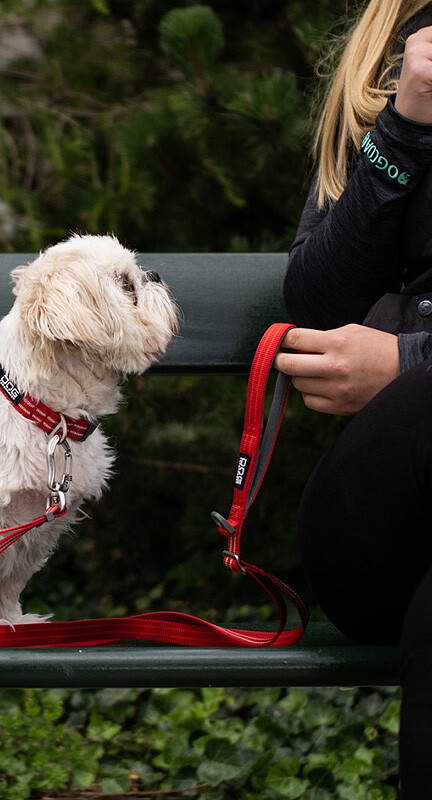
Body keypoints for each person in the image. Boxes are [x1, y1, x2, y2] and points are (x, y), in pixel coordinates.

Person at [275, 1, 432, 796]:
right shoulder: (400, 59)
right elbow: (316, 299)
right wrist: (405, 125)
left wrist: (407, 362)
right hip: (380, 525)